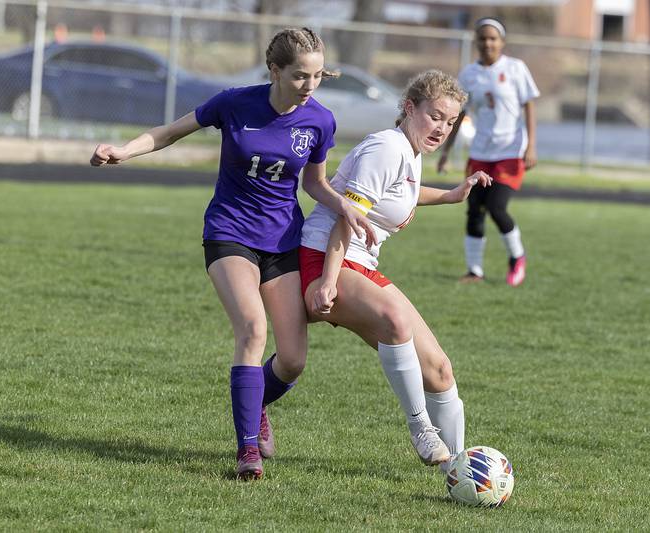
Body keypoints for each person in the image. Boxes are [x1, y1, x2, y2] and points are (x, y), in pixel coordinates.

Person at [90, 27, 375, 481]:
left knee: (295, 359)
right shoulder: (235, 103)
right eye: (301, 76)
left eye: (319, 76)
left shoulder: (319, 120)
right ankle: (247, 451)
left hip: (283, 241)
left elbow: (315, 183)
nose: (310, 86)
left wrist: (347, 208)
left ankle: (255, 403)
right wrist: (124, 151)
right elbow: (169, 132)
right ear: (275, 71)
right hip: (230, 233)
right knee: (252, 328)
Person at [299, 70, 492, 468]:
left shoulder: (411, 150)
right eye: (435, 116)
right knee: (394, 319)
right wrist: (327, 282)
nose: (442, 128)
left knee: (439, 370)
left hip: (360, 263)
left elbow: (403, 191)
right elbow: (345, 218)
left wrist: (453, 195)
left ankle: (459, 468)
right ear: (409, 108)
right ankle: (421, 427)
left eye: (451, 122)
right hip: (325, 256)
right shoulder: (387, 147)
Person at [437, 17, 540, 286]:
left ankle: (517, 257)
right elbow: (458, 114)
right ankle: (474, 271)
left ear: (502, 42)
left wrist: (531, 145)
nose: (487, 43)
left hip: (509, 150)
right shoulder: (469, 74)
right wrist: (446, 150)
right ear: (476, 42)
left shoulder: (516, 69)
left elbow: (529, 105)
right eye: (482, 38)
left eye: (493, 38)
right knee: (473, 209)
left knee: (496, 207)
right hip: (480, 151)